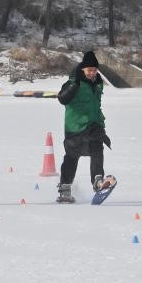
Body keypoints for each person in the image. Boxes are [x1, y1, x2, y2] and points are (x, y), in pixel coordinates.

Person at [56, 50, 111, 203]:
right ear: (82, 69)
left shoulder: (98, 83)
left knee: (97, 149)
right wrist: (74, 87)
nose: (92, 73)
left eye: (95, 70)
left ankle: (98, 181)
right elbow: (62, 98)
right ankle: (65, 189)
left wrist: (101, 124)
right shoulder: (74, 81)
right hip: (75, 127)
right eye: (89, 70)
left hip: (93, 126)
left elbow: (96, 106)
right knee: (72, 157)